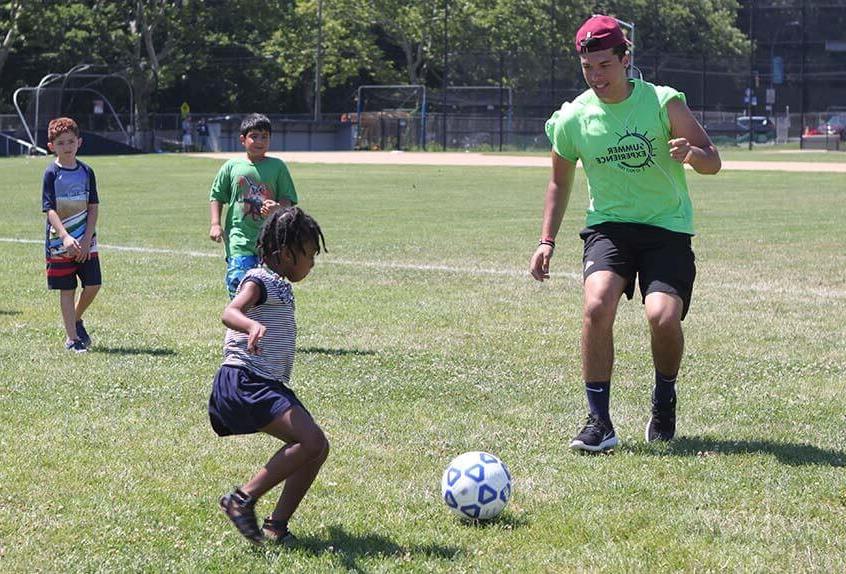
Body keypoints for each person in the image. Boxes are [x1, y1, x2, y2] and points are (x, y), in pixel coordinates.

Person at [529, 15, 721, 452]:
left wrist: (692, 153)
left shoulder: (662, 102)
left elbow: (714, 159)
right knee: (597, 305)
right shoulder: (574, 117)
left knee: (662, 317)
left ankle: (664, 394)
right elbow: (559, 181)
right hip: (609, 229)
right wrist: (546, 241)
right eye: (588, 68)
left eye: (604, 65)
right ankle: (599, 423)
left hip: (666, 229)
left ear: (625, 59)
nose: (596, 76)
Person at [209, 207, 328, 545]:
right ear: (286, 254)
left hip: (264, 383)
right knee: (311, 441)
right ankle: (241, 499)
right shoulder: (259, 280)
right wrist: (251, 324)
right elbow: (229, 312)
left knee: (317, 447)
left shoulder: (279, 284)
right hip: (244, 380)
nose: (313, 263)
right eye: (309, 254)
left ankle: (276, 526)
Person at [209, 113, 298, 298]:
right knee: (238, 283)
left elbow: (287, 200)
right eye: (254, 136)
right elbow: (216, 195)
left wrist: (277, 209)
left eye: (264, 137)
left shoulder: (277, 167)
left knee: (270, 288)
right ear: (243, 139)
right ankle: (241, 322)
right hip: (239, 240)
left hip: (270, 242)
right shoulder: (231, 166)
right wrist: (215, 224)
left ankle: (265, 322)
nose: (260, 141)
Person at [41, 117, 102, 353]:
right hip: (60, 244)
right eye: (60, 143)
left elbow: (93, 206)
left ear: (79, 142)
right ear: (51, 146)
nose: (66, 147)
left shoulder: (87, 171)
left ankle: (75, 318)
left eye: (70, 141)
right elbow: (49, 209)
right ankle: (72, 338)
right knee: (67, 290)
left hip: (86, 241)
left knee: (94, 285)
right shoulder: (51, 173)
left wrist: (87, 238)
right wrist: (66, 237)